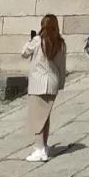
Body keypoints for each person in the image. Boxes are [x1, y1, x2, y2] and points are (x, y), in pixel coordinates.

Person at [21, 13, 67, 162]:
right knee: (45, 117)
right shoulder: (61, 43)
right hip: (52, 82)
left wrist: (31, 39)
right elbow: (61, 66)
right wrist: (61, 84)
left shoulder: (37, 40)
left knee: (37, 118)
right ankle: (44, 145)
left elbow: (24, 53)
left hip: (38, 83)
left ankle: (39, 149)